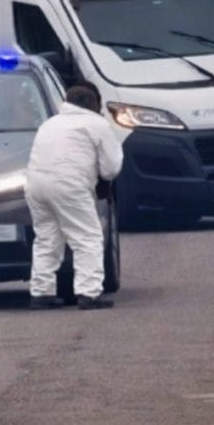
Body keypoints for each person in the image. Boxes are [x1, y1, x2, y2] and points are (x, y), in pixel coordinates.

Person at [25, 82, 123, 310]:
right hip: (70, 185)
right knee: (87, 237)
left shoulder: (49, 124)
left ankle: (41, 293)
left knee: (46, 238)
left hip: (36, 184)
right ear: (94, 104)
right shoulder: (97, 124)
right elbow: (111, 168)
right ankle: (89, 293)